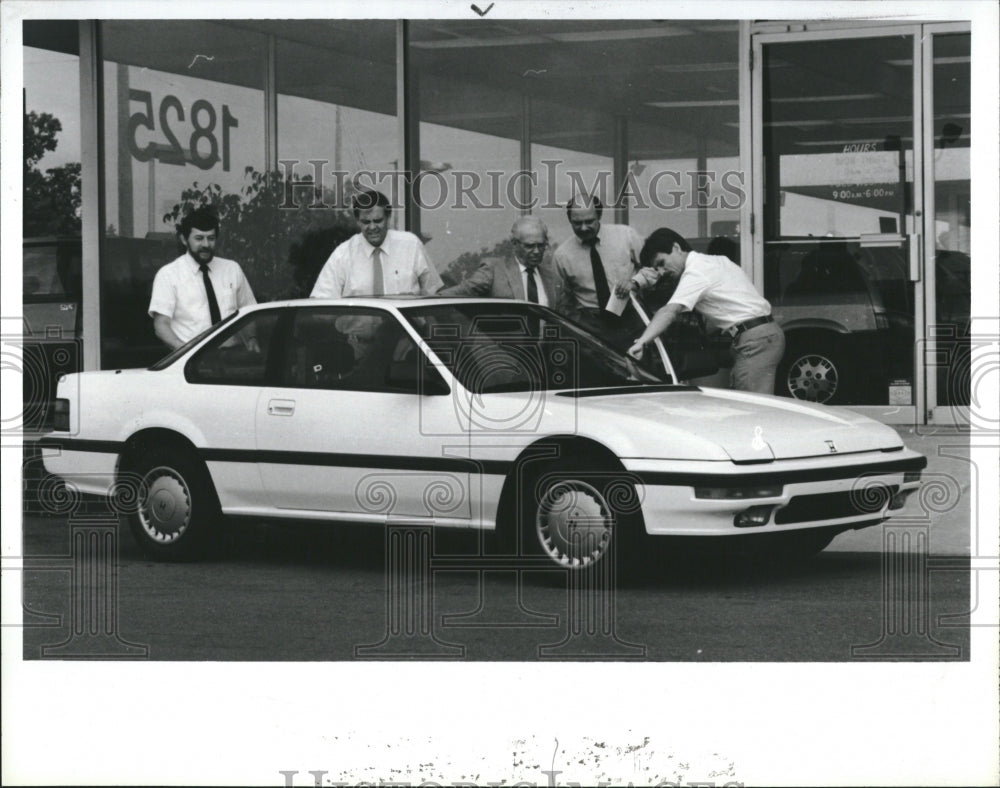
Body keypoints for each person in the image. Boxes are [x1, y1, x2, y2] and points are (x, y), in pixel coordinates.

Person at [627, 228, 785, 394]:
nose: (661, 271)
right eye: (656, 268)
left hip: (754, 340)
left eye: (661, 263)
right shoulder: (716, 261)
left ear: (676, 248)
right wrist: (638, 281)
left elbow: (669, 311)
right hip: (760, 335)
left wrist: (641, 342)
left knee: (754, 408)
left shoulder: (696, 272)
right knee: (749, 401)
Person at [149, 206, 257, 349]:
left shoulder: (232, 269)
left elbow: (248, 312)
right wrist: (184, 352)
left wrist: (251, 340)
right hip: (192, 360)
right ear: (184, 239)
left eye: (211, 238)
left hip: (232, 357)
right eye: (199, 238)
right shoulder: (168, 275)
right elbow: (161, 324)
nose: (206, 245)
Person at [310, 188, 443, 298]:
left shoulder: (411, 245)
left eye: (378, 220)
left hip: (403, 329)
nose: (372, 227)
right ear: (357, 222)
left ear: (388, 218)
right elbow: (320, 302)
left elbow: (433, 294)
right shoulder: (343, 255)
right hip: (356, 331)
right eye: (366, 222)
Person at [552, 194, 645, 351]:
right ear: (569, 221)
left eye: (589, 221)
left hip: (631, 319)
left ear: (599, 216)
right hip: (592, 327)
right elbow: (562, 301)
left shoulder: (626, 236)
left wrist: (635, 282)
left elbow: (652, 269)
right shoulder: (562, 256)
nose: (583, 227)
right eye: (577, 223)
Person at [440, 215, 560, 306]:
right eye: (530, 246)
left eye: (541, 245)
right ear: (515, 244)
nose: (537, 251)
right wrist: (428, 299)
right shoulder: (493, 270)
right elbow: (462, 292)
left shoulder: (550, 277)